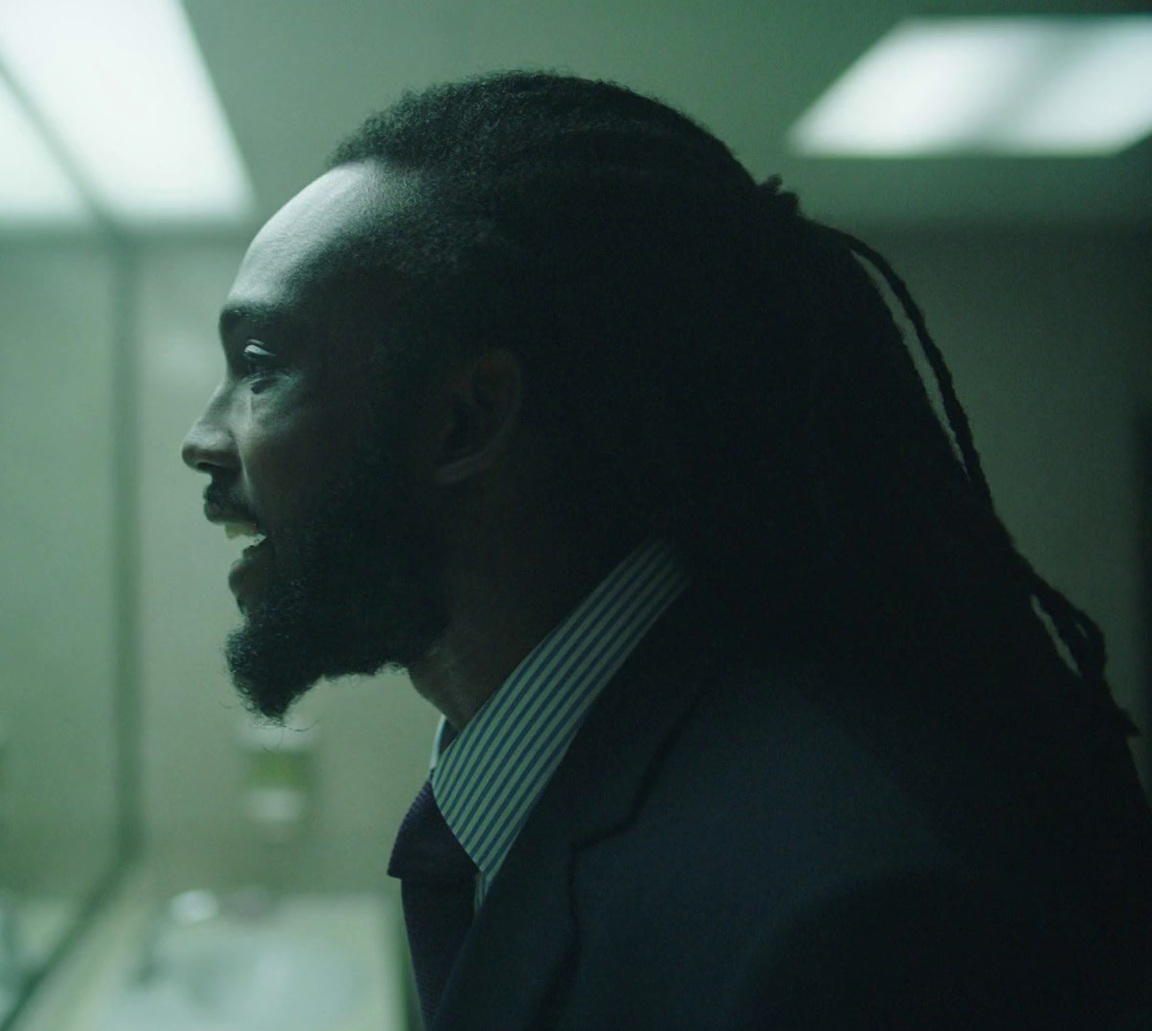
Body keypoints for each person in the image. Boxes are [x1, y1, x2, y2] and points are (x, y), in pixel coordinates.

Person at [180, 72, 1152, 1029]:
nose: (202, 438)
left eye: (259, 368)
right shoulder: (622, 784)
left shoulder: (845, 917)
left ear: (464, 419)